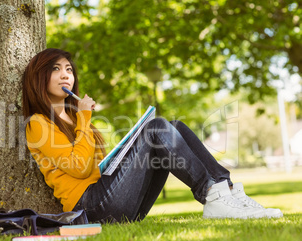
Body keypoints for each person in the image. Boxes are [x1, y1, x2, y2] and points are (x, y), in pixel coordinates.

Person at [23, 48, 283, 223]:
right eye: (56, 69)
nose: (66, 74)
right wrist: (84, 118)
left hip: (114, 202)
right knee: (156, 127)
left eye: (68, 69)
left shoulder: (77, 118)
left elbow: (95, 167)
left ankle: (225, 190)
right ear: (39, 77)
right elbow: (79, 169)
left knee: (174, 127)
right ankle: (211, 196)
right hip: (89, 207)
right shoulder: (38, 123)